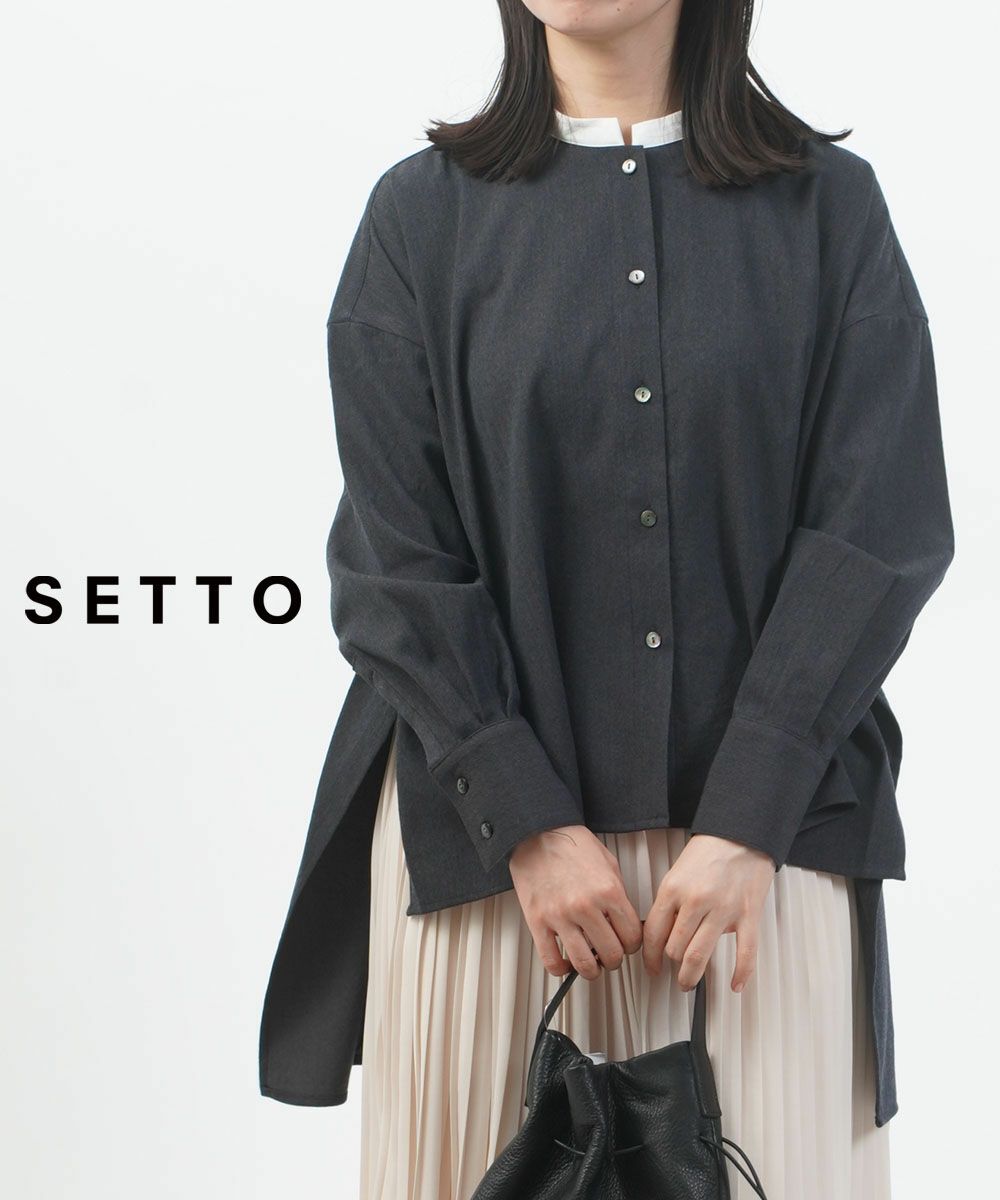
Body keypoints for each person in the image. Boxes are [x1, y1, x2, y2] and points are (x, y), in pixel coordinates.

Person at [257, 3, 955, 1198]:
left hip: (758, 869)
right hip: (489, 864)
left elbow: (877, 531)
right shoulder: (419, 218)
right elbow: (392, 564)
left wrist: (746, 818)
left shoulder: (828, 210)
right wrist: (524, 818)